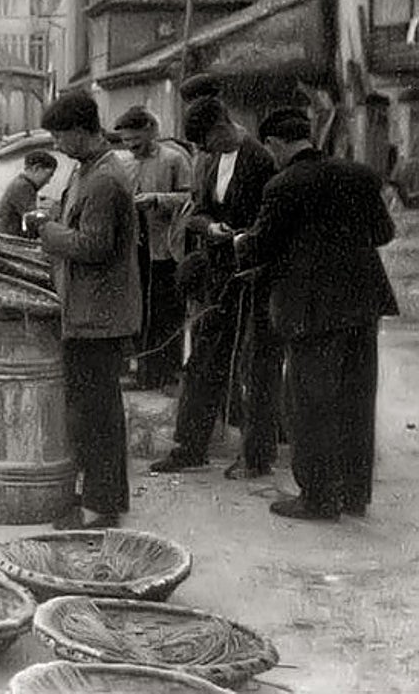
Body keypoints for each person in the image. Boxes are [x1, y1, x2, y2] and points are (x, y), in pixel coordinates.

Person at [234, 110, 398, 520]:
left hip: (311, 309)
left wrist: (239, 241)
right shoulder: (359, 175)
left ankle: (319, 498)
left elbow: (261, 248)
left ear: (275, 144)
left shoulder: (283, 185)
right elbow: (384, 234)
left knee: (309, 404)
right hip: (363, 304)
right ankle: (354, 494)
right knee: (356, 401)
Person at [149, 97, 280, 478]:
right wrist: (210, 228)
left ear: (224, 125)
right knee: (203, 361)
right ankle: (189, 447)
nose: (208, 151)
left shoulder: (261, 159)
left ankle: (257, 456)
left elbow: (271, 221)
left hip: (252, 276)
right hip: (218, 275)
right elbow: (197, 212)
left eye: (211, 141)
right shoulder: (208, 159)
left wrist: (242, 238)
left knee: (254, 367)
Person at [36, 91, 141, 530]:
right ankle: (101, 495)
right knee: (96, 410)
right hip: (90, 309)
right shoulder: (90, 169)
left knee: (95, 414)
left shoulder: (102, 180)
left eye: (61, 135)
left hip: (97, 315)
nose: (57, 144)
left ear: (82, 130)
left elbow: (94, 246)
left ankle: (100, 509)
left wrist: (48, 232)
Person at [113, 106, 193, 391]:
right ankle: (143, 371)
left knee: (166, 311)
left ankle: (168, 372)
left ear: (150, 130)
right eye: (126, 143)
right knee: (139, 311)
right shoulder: (122, 163)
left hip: (166, 248)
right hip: (135, 249)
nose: (131, 148)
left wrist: (158, 200)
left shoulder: (174, 159)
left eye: (136, 141)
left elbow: (190, 198)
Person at [0, 150, 58, 237]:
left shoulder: (23, 183)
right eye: (48, 175)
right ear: (36, 168)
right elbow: (34, 219)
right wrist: (53, 214)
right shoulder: (23, 186)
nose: (48, 181)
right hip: (10, 239)